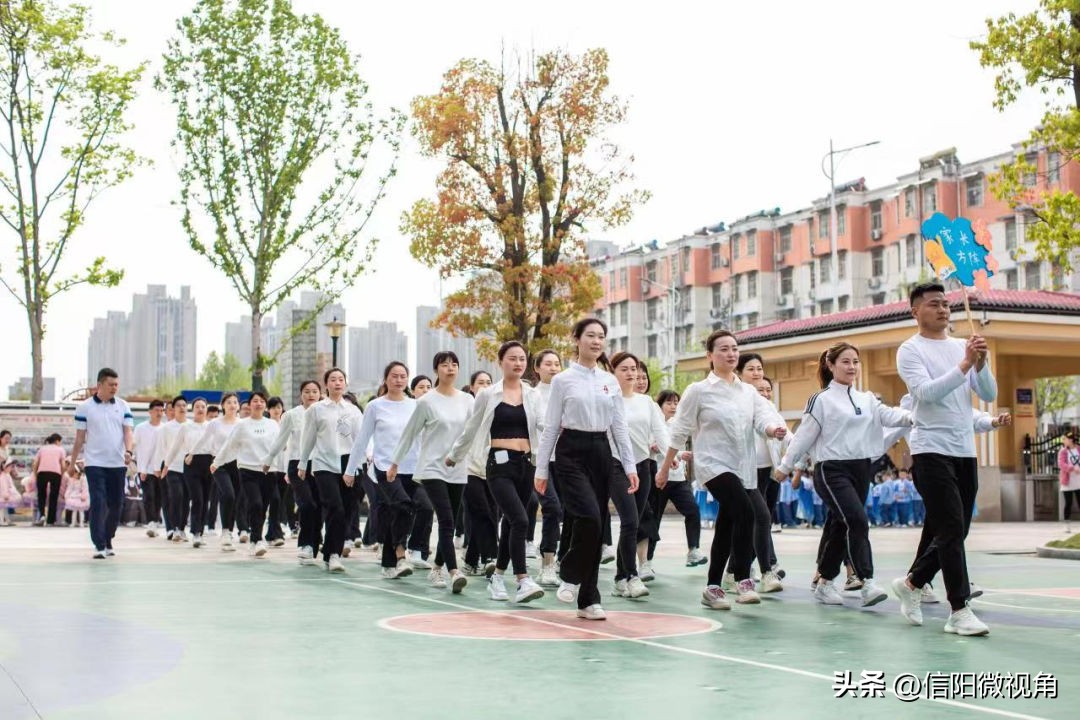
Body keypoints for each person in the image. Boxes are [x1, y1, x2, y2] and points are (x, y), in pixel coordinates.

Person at [891, 282, 997, 637]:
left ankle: (913, 582)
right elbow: (926, 394)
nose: (942, 309)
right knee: (951, 529)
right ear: (915, 311)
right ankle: (959, 609)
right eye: (933, 304)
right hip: (930, 448)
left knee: (958, 528)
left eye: (945, 303)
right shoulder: (910, 350)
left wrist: (980, 365)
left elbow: (989, 393)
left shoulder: (962, 346)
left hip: (964, 449)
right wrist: (965, 363)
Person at [775, 342, 911, 608]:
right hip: (831, 469)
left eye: (855, 362)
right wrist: (785, 466)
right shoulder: (821, 400)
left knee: (840, 525)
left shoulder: (868, 399)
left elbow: (891, 416)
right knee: (858, 520)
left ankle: (824, 582)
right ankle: (867, 581)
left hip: (861, 469)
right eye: (846, 362)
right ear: (831, 365)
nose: (852, 367)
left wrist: (916, 416)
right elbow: (804, 437)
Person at [657, 331, 786, 611]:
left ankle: (713, 587)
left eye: (734, 349)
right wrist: (665, 468)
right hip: (713, 464)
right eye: (724, 349)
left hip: (743, 466)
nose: (731, 354)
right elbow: (679, 430)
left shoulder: (749, 392)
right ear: (710, 356)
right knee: (746, 512)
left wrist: (771, 429)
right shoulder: (698, 391)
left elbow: (762, 416)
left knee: (727, 525)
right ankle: (742, 579)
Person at [534, 318, 639, 621]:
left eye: (601, 337)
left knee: (599, 521)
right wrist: (541, 469)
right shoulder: (563, 380)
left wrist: (629, 465)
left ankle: (588, 599)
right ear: (576, 339)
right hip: (570, 452)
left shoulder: (610, 381)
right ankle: (569, 573)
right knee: (589, 517)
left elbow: (619, 426)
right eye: (590, 335)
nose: (596, 341)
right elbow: (552, 425)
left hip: (601, 452)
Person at [448, 342, 546, 604]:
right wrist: (455, 455)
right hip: (498, 465)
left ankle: (498, 577)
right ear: (501, 361)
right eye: (512, 358)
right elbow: (471, 428)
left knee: (513, 522)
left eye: (522, 359)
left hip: (526, 463)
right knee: (521, 520)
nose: (518, 363)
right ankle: (523, 579)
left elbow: (544, 426)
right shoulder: (488, 394)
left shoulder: (533, 395)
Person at [389, 352, 474, 593]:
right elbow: (409, 434)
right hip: (432, 468)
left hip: (458, 467)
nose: (450, 368)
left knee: (451, 522)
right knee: (446, 520)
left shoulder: (467, 400)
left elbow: (473, 433)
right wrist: (394, 463)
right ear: (436, 369)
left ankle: (436, 568)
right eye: (445, 365)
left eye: (454, 364)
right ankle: (454, 571)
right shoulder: (426, 401)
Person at [344, 362, 420, 580]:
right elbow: (362, 440)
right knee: (403, 505)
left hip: (411, 467)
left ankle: (389, 563)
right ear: (386, 379)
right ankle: (400, 553)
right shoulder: (375, 406)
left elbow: (420, 438)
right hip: (385, 467)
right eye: (394, 376)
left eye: (403, 376)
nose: (398, 380)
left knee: (396, 512)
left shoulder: (415, 405)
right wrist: (351, 470)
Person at [605, 351, 661, 598]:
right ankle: (631, 576)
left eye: (634, 368)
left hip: (643, 466)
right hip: (615, 465)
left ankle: (620, 576)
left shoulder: (646, 402)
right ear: (613, 372)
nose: (631, 373)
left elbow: (660, 431)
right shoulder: (607, 400)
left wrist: (674, 456)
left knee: (634, 523)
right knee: (629, 520)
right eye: (624, 369)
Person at [298, 369, 362, 573]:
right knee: (335, 507)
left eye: (341, 379)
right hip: (324, 463)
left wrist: (363, 459)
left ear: (346, 384)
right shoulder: (316, 409)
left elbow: (361, 438)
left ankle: (331, 550)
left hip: (348, 463)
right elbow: (308, 438)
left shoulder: (353, 410)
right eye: (333, 380)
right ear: (326, 384)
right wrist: (302, 463)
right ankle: (333, 554)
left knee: (346, 510)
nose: (337, 383)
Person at [69, 368, 135, 559]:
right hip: (94, 463)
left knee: (117, 503)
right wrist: (72, 462)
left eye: (116, 384)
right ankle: (99, 544)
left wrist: (129, 451)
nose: (115, 388)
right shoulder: (84, 408)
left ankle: (108, 539)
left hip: (117, 463)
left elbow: (128, 432)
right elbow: (80, 438)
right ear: (100, 385)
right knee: (98, 502)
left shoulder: (123, 406)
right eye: (111, 384)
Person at [213, 391, 279, 557]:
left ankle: (255, 537)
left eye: (261, 401)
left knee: (263, 508)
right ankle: (257, 540)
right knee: (255, 504)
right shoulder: (242, 425)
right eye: (255, 401)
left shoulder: (272, 424)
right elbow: (229, 446)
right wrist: (217, 462)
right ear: (249, 405)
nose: (258, 403)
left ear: (265, 405)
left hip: (269, 471)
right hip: (248, 470)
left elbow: (281, 445)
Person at [264, 380, 322, 564]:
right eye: (307, 391)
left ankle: (315, 542)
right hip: (297, 465)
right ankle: (305, 544)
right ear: (301, 395)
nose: (311, 395)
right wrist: (269, 458)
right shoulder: (291, 415)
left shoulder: (326, 412)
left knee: (320, 505)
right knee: (307, 504)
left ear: (320, 394)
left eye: (315, 391)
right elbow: (281, 439)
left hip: (322, 465)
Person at [648, 390, 705, 567]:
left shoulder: (677, 425)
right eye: (669, 403)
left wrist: (682, 455)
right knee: (653, 520)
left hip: (678, 479)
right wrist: (676, 453)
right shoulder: (652, 423)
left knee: (693, 511)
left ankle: (693, 549)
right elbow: (652, 447)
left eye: (676, 403)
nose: (673, 407)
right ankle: (646, 562)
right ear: (660, 405)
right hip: (658, 477)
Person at [531, 349, 565, 586]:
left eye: (557, 364)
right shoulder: (532, 395)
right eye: (548, 364)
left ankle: (565, 559)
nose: (553, 368)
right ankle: (547, 565)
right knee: (552, 508)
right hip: (540, 461)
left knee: (569, 512)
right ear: (537, 368)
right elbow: (539, 424)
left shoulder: (566, 393)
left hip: (567, 460)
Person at [162, 397, 210, 547]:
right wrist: (166, 465)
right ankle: (194, 532)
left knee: (204, 501)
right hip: (190, 464)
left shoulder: (212, 426)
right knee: (197, 499)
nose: (200, 409)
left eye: (203, 406)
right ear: (193, 409)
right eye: (197, 407)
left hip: (209, 464)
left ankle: (200, 532)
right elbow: (175, 447)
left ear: (206, 409)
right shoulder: (186, 427)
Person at [134, 400, 165, 537]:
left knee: (159, 497)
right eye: (156, 410)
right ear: (150, 412)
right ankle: (151, 522)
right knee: (149, 496)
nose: (159, 413)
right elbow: (136, 448)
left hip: (161, 469)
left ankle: (156, 521)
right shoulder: (141, 428)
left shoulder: (165, 428)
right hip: (145, 469)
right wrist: (141, 468)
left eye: (161, 410)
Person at [32, 434, 67, 526]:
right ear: (57, 441)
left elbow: (36, 463)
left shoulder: (42, 448)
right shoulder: (60, 449)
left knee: (41, 495)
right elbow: (63, 465)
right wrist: (61, 474)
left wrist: (36, 475)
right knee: (53, 497)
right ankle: (50, 520)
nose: (60, 443)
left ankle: (42, 516)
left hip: (42, 473)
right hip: (56, 473)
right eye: (60, 441)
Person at [1059, 431, 1080, 534]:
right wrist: (1072, 468)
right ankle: (1067, 526)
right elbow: (1061, 464)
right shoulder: (1063, 451)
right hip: (1067, 482)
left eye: (1065, 439)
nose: (1064, 441)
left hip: (1079, 481)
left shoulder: (1079, 449)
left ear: (1071, 440)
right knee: (1068, 503)